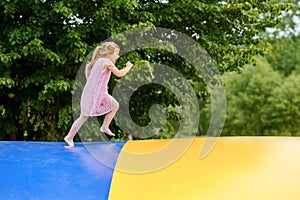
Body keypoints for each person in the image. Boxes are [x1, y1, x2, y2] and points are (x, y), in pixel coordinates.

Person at [64, 42, 133, 146]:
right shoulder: (105, 61)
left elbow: (90, 79)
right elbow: (119, 73)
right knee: (84, 117)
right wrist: (128, 67)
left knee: (114, 105)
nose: (118, 56)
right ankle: (69, 137)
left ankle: (105, 126)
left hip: (99, 93)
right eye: (116, 53)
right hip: (94, 95)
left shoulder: (98, 62)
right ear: (109, 53)